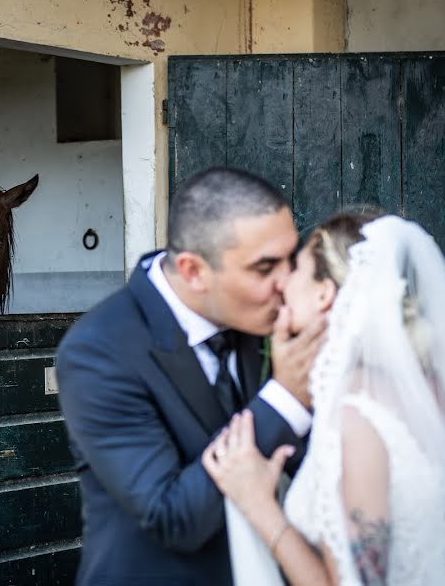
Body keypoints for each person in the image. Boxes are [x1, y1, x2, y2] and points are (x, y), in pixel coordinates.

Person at [203, 212, 445, 585]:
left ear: (324, 294)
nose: (281, 283)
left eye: (295, 268)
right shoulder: (432, 395)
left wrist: (260, 507)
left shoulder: (357, 414)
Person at [55, 168, 324, 585]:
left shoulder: (260, 314)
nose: (287, 283)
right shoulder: (97, 351)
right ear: (194, 271)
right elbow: (173, 517)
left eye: (293, 257)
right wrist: (285, 396)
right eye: (266, 267)